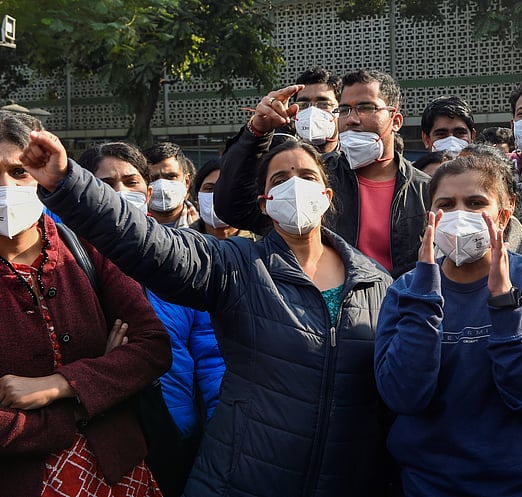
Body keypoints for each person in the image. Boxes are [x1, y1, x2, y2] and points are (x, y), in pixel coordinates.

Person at [21, 130, 395, 496]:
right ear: (264, 202)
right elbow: (149, 242)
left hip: (348, 478)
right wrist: (68, 182)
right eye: (281, 178)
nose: (295, 187)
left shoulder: (377, 283)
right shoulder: (236, 265)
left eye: (307, 176)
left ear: (326, 195)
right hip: (239, 477)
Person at [374, 153, 522, 496]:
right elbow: (403, 395)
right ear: (431, 216)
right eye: (446, 204)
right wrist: (425, 301)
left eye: (475, 202)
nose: (459, 215)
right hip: (433, 483)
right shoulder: (406, 289)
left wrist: (504, 303)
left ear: (504, 212)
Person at [0, 111, 171, 497]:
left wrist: (60, 385)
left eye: (19, 172)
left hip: (120, 474)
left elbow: (152, 347)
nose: (6, 187)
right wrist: (86, 401)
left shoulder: (85, 247)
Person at [78, 141, 226, 497]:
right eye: (106, 183)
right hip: (99, 432)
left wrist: (221, 432)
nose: (119, 193)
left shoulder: (180, 260)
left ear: (146, 190)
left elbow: (209, 357)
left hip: (175, 430)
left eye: (131, 182)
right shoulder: (67, 259)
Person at [215, 70, 431, 278]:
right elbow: (236, 210)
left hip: (402, 313)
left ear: (395, 121)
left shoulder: (427, 190)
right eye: (344, 109)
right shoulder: (312, 179)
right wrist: (256, 134)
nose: (352, 120)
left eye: (366, 108)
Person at [191, 157, 258, 240]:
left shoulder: (264, 245)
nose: (218, 196)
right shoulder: (181, 244)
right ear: (197, 198)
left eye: (227, 189)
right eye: (209, 189)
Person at [143, 142, 200, 228]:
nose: (162, 186)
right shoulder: (130, 229)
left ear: (187, 182)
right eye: (153, 179)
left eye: (171, 176)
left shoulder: (207, 229)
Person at [292, 66, 341, 156]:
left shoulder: (355, 161)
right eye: (304, 105)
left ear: (340, 109)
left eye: (323, 104)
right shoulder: (281, 161)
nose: (312, 112)